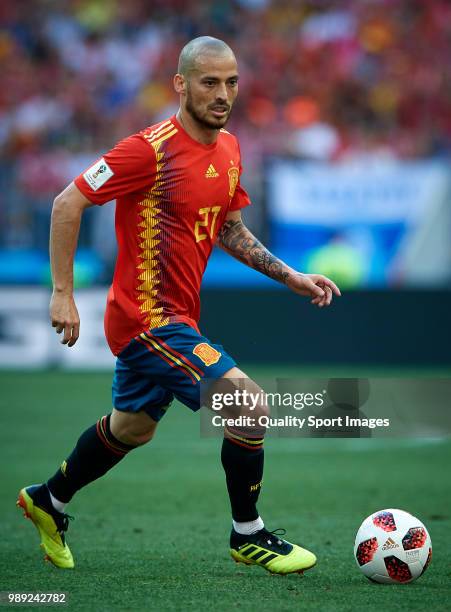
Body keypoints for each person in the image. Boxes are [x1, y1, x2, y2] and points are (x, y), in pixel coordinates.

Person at [17, 36, 340, 575]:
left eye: (231, 82)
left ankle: (48, 500)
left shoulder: (231, 149)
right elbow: (66, 202)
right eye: (209, 82)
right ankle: (249, 534)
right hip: (147, 320)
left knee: (132, 428)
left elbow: (229, 229)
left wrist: (290, 277)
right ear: (181, 84)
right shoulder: (148, 150)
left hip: (180, 316)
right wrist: (63, 292)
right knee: (248, 403)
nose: (222, 94)